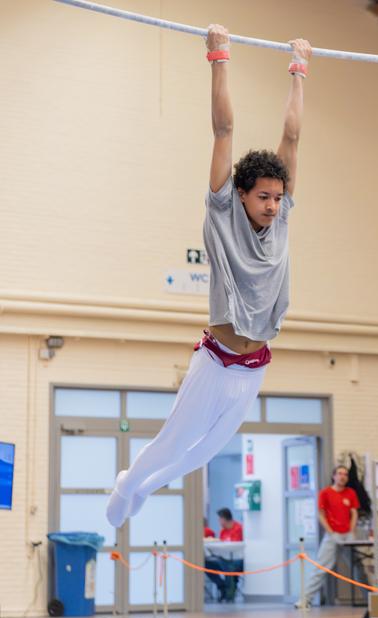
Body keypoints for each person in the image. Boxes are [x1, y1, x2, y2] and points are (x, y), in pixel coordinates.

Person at [106, 25, 312, 528]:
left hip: (255, 364)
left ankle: (141, 486)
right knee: (175, 441)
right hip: (217, 361)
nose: (271, 205)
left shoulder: (282, 217)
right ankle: (127, 484)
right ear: (241, 194)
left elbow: (291, 135)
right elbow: (223, 131)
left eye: (277, 197)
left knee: (202, 456)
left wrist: (299, 68)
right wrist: (220, 56)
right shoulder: (223, 211)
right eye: (262, 197)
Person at [296, 465, 360, 609]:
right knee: (321, 567)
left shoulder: (351, 493)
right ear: (334, 476)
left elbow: (354, 513)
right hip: (332, 535)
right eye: (339, 474)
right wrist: (331, 532)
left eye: (345, 474)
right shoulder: (325, 493)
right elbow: (321, 514)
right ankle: (305, 599)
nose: (342, 477)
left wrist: (351, 531)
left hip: (348, 535)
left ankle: (371, 597)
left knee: (358, 566)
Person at [205, 508, 244, 602]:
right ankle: (221, 586)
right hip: (224, 559)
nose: (218, 521)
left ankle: (229, 592)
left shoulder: (238, 528)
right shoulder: (223, 531)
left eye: (220, 519)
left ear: (225, 519)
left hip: (237, 560)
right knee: (207, 564)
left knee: (228, 566)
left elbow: (235, 545)